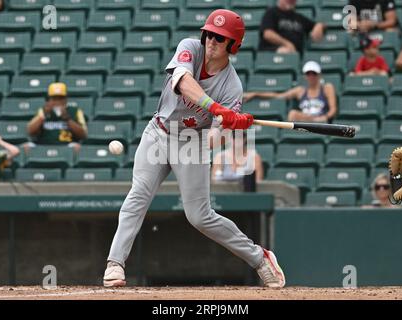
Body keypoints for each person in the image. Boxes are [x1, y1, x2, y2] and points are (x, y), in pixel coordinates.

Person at [103, 9, 285, 288]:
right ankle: (115, 263)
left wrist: (230, 125)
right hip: (158, 131)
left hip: (192, 141)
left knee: (200, 217)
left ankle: (260, 258)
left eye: (221, 37)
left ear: (233, 45)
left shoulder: (232, 87)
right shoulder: (189, 47)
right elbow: (183, 83)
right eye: (210, 33)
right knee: (138, 195)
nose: (212, 40)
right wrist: (215, 108)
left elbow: (216, 138)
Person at [244, 61, 337, 123]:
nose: (311, 76)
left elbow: (333, 110)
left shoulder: (327, 88)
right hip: (306, 121)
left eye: (314, 73)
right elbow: (279, 96)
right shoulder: (300, 91)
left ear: (319, 75)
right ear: (305, 76)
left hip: (321, 121)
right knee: (292, 114)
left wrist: (324, 118)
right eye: (308, 73)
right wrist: (256, 94)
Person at [26, 82, 88, 153]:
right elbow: (30, 131)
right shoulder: (42, 111)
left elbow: (83, 135)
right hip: (43, 145)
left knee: (77, 147)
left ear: (65, 99)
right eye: (54, 98)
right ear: (49, 100)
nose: (57, 102)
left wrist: (67, 119)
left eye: (60, 98)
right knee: (26, 146)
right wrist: (43, 115)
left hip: (67, 145)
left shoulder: (75, 111)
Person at [259, 0, 324, 53]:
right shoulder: (271, 13)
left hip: (295, 56)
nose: (290, 1)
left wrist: (319, 26)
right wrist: (287, 44)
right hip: (272, 52)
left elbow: (317, 25)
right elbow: (268, 34)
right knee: (285, 51)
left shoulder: (299, 18)